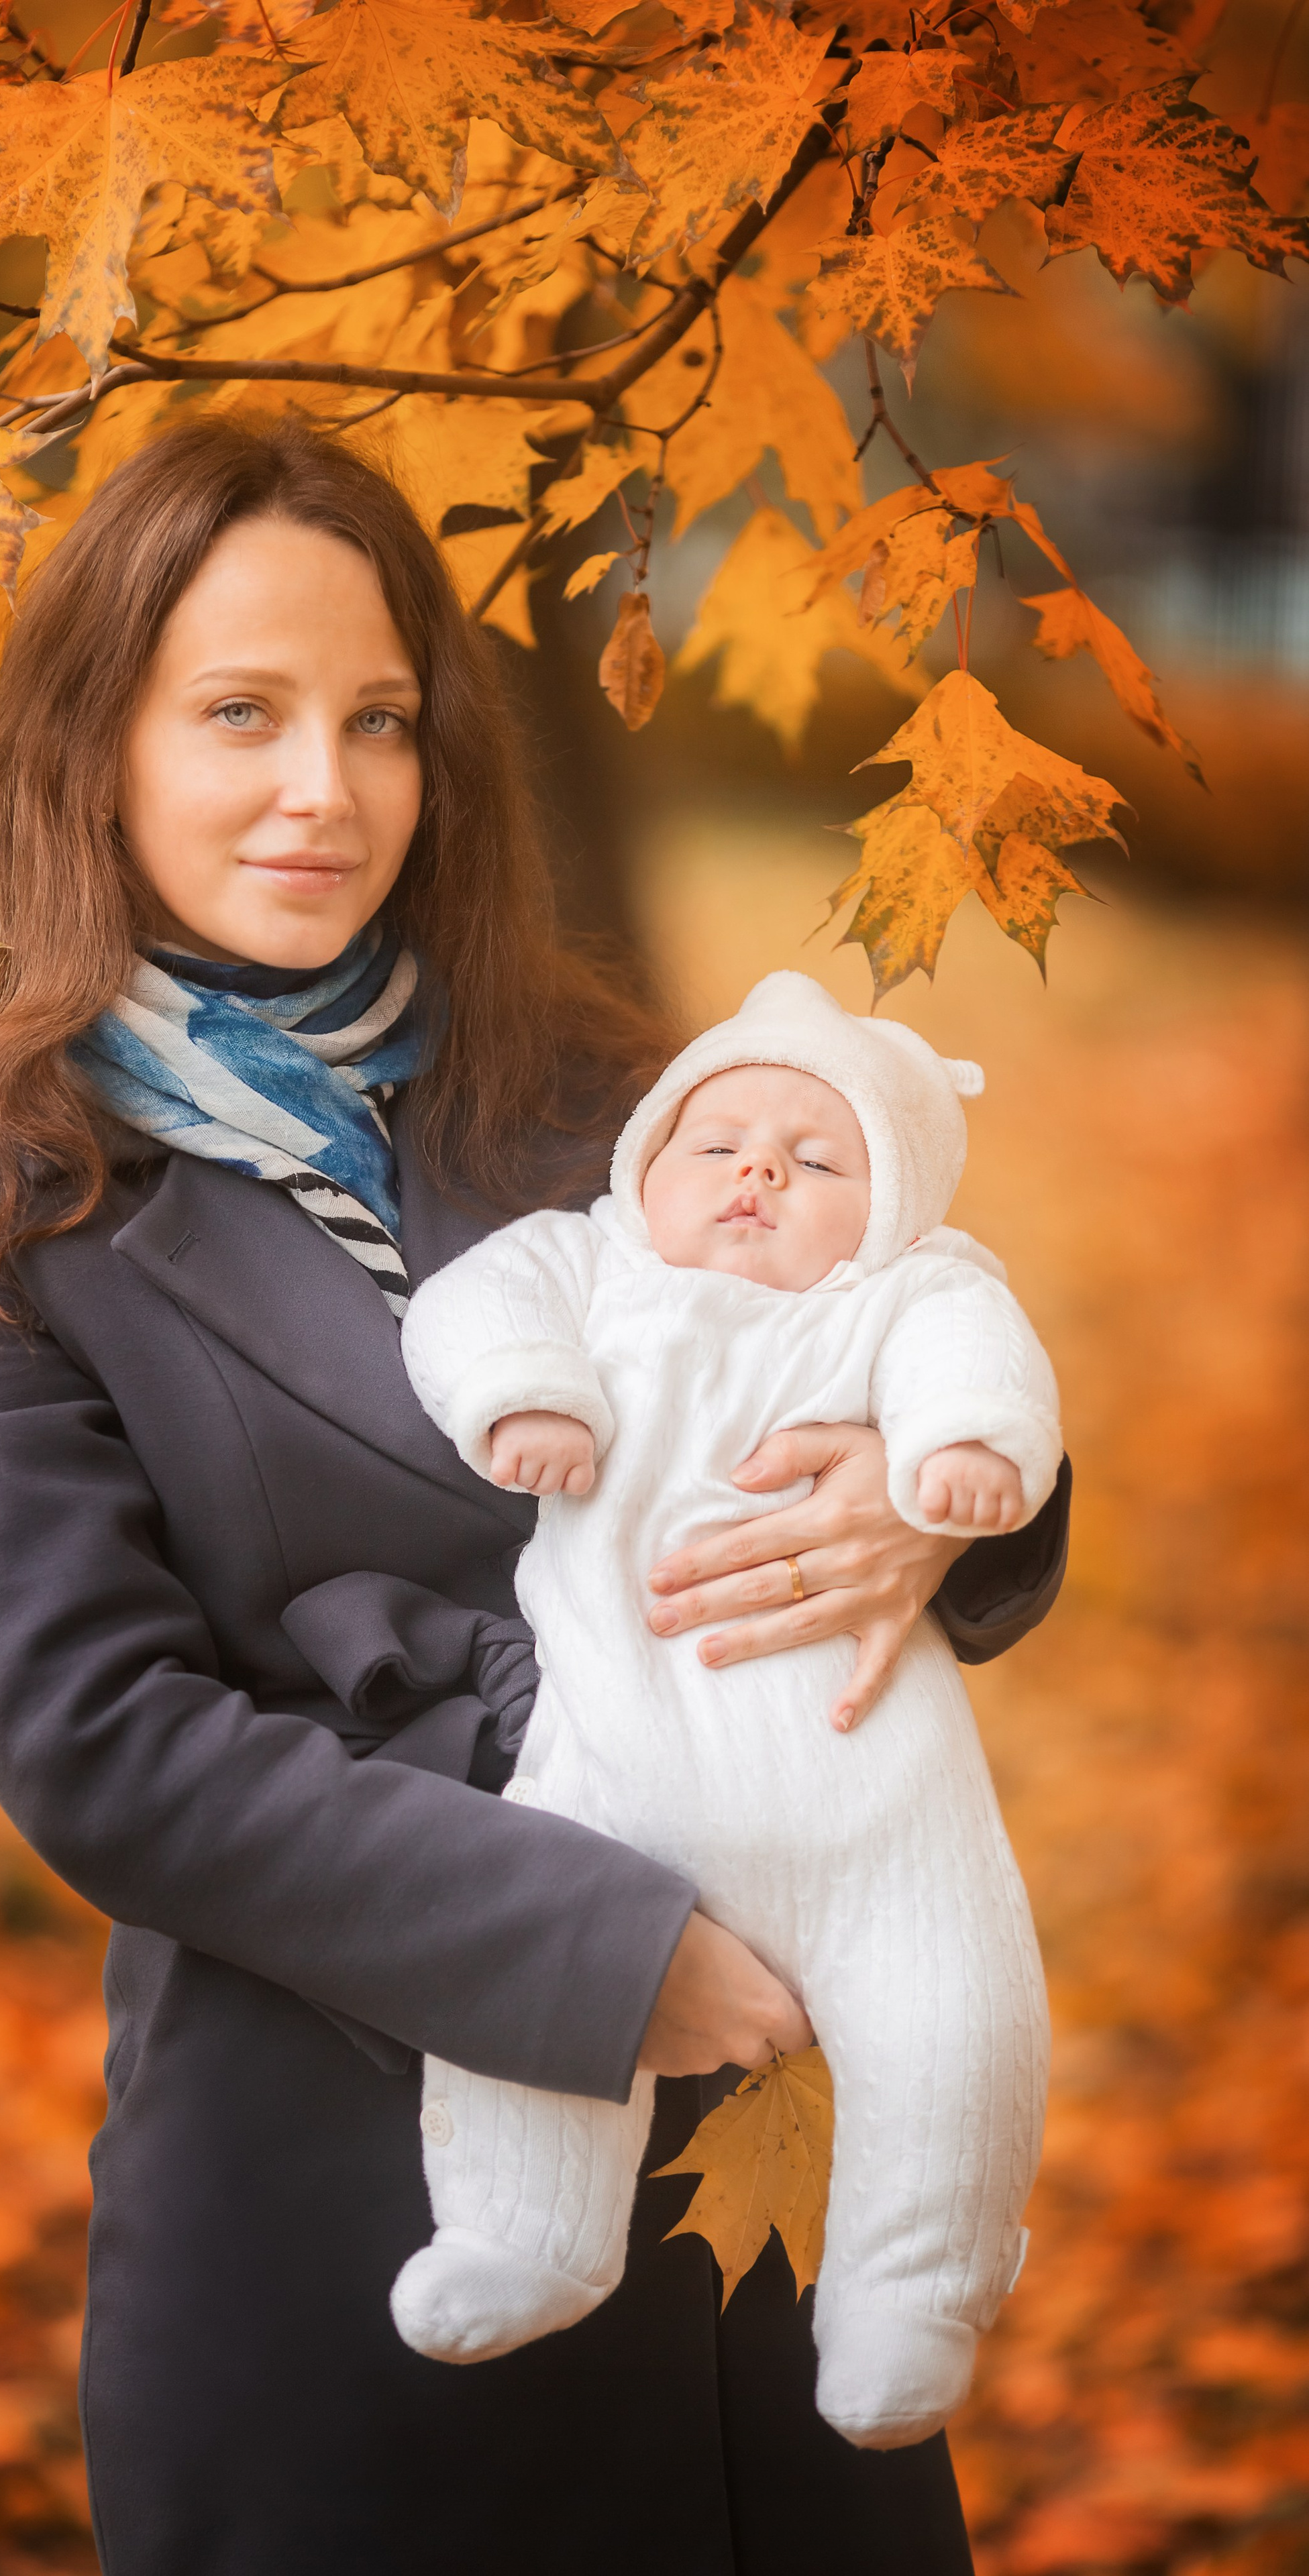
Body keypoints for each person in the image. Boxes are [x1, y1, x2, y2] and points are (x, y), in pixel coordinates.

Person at [0, 415, 1071, 2575]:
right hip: (351, 2189)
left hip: (763, 2211)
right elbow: (103, 1744)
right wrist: (595, 1953)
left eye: (379, 719)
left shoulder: (595, 1088)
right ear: (91, 745)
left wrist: (935, 1500)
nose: (326, 788)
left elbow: (891, 1322)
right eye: (240, 714)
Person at [388, 973, 1055, 2456]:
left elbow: (984, 1364)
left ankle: (916, 2289)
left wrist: (958, 1459)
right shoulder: (587, 1258)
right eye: (717, 1143)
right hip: (613, 1772)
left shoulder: (911, 1290)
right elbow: (472, 1304)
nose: (756, 1170)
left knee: (956, 2019)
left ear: (886, 1214)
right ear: (644, 1170)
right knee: (529, 1980)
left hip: (875, 1798)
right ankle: (524, 2231)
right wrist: (524, 1396)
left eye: (817, 1161)